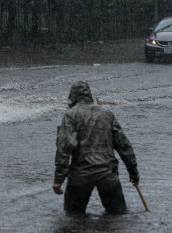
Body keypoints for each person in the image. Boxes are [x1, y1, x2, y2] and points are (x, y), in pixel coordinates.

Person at [52, 81, 139, 214]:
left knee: (72, 219)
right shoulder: (107, 114)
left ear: (72, 96)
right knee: (118, 218)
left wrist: (58, 179)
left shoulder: (70, 115)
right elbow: (124, 145)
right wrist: (133, 171)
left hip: (80, 175)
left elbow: (64, 148)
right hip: (108, 174)